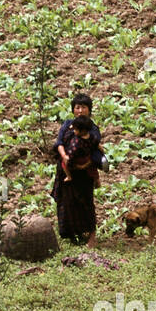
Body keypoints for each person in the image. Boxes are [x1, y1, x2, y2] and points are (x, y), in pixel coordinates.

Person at [51, 93, 103, 246]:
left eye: (84, 107)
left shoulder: (92, 128)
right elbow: (59, 142)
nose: (80, 111)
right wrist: (64, 156)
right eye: (77, 107)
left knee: (86, 203)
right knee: (67, 203)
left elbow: (95, 150)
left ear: (89, 110)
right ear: (73, 110)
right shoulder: (67, 125)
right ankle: (73, 234)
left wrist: (84, 165)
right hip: (66, 170)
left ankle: (91, 235)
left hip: (84, 174)